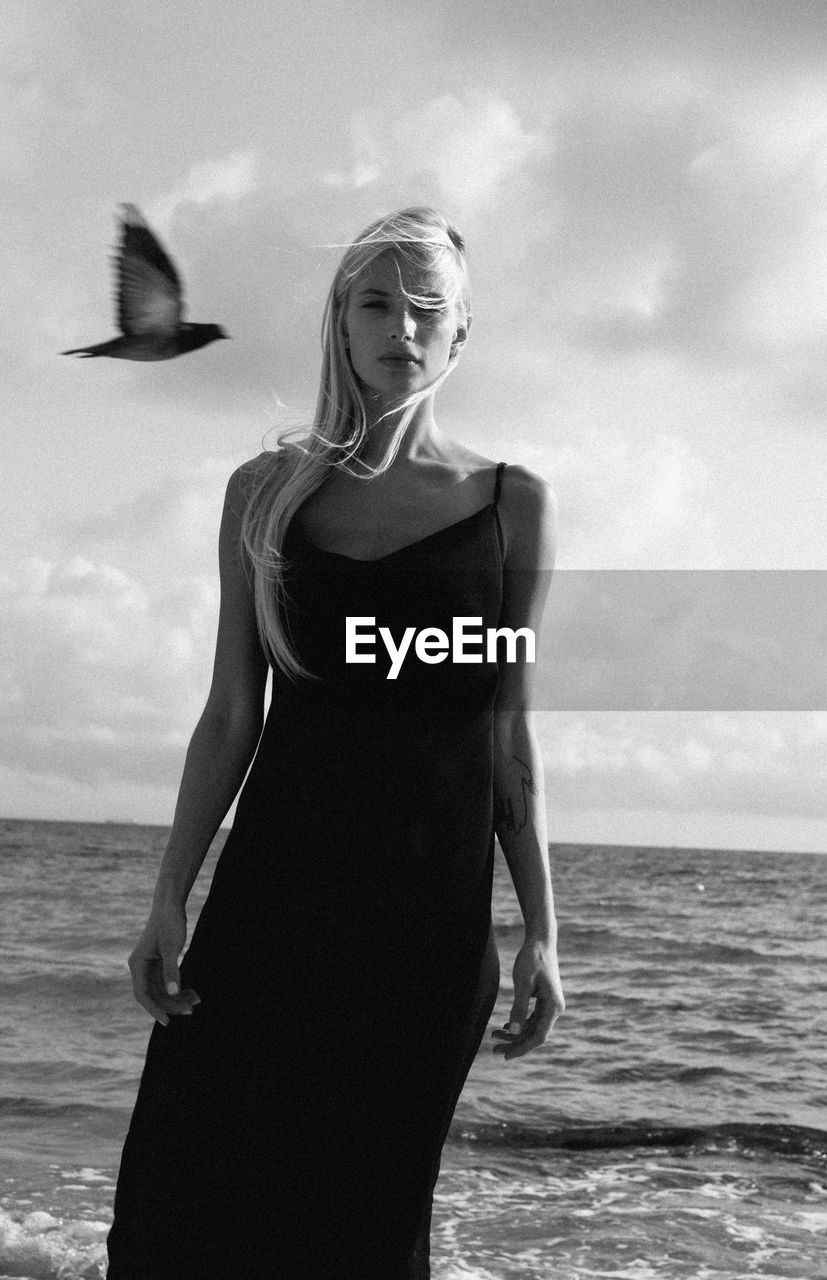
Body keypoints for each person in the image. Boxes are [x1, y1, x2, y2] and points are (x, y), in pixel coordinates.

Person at [105, 205, 565, 1280]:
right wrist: (168, 894)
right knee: (177, 1208)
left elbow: (507, 733)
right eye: (375, 301)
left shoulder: (513, 506)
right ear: (340, 322)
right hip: (268, 914)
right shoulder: (264, 495)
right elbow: (230, 711)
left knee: (361, 1236)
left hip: (424, 933)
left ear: (461, 335)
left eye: (426, 308)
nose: (400, 326)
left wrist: (543, 926)